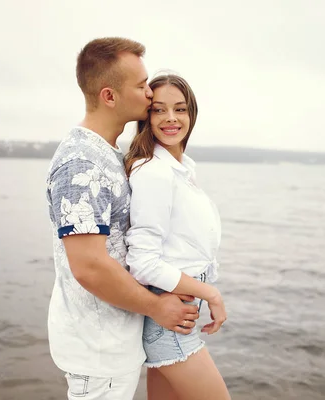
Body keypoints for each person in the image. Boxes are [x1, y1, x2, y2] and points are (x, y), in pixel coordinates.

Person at [45, 38, 200, 400]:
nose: (149, 94)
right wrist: (157, 307)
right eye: (141, 85)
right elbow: (90, 267)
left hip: (116, 344)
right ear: (109, 96)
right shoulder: (82, 163)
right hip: (98, 351)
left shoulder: (109, 155)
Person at [124, 74, 231, 400]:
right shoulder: (154, 171)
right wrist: (209, 293)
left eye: (180, 109)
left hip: (175, 311)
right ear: (147, 117)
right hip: (169, 320)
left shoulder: (179, 168)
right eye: (159, 110)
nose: (171, 118)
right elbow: (141, 263)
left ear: (191, 114)